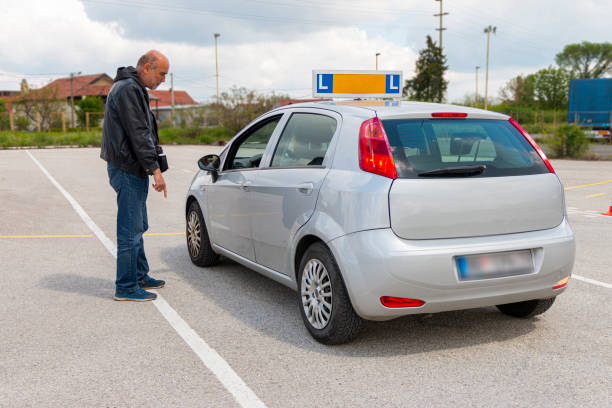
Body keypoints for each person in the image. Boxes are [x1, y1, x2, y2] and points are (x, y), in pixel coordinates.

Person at [100, 50, 169, 301]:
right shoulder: (129, 89)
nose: (163, 79)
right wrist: (155, 169)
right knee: (130, 230)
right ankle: (126, 286)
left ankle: (139, 274)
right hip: (128, 168)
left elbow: (144, 131)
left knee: (139, 225)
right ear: (147, 67)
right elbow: (139, 133)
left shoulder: (130, 87)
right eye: (161, 73)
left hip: (128, 166)